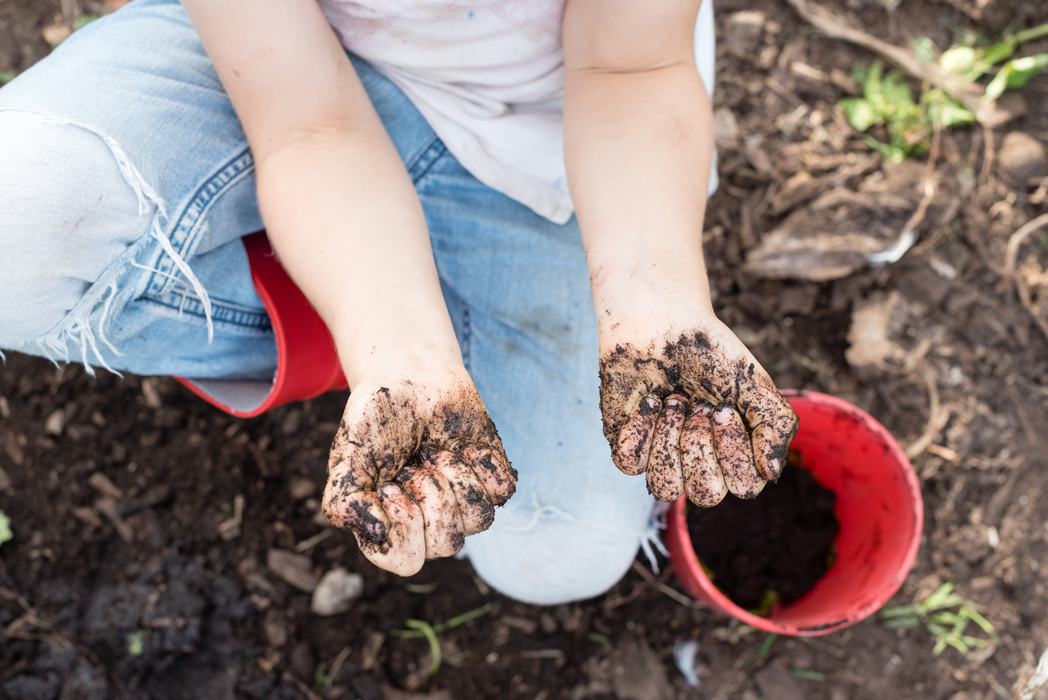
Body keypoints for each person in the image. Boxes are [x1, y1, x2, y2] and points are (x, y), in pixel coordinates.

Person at [0, 0, 797, 605]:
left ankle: (425, 312)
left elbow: (631, 72)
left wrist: (652, 298)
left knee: (561, 553)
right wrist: (396, 349)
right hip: (293, 84)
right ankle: (356, 330)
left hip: (558, 133)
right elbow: (309, 126)